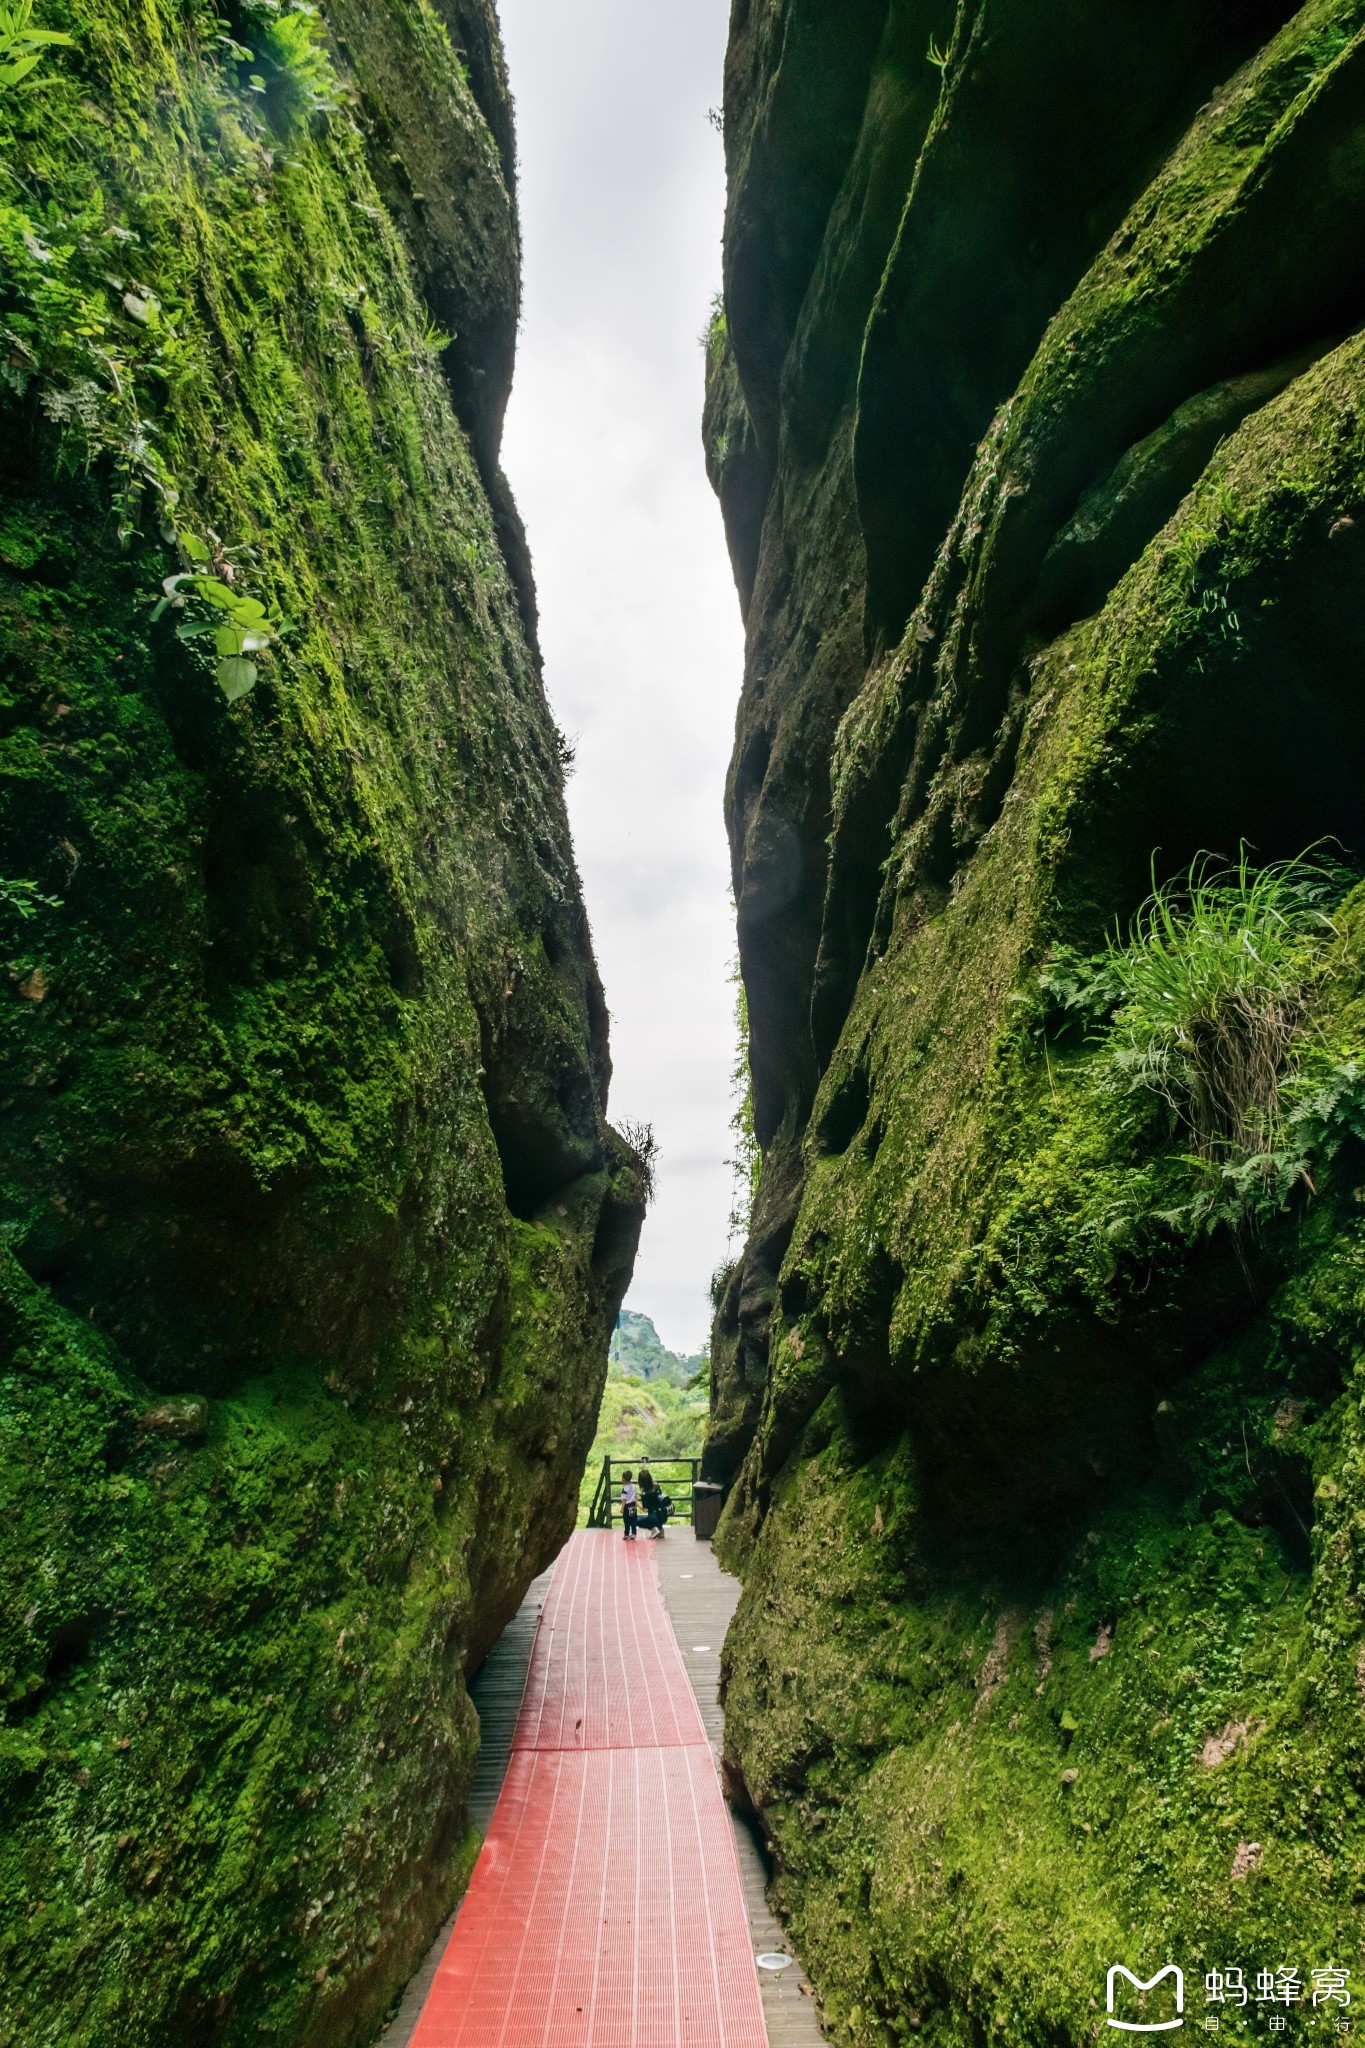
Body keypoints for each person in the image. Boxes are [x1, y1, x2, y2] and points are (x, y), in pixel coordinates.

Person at [639, 1466, 665, 1539]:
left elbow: (645, 1509)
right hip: (662, 1515)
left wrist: (636, 1502)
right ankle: (660, 1529)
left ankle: (654, 1529)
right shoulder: (657, 1486)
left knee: (636, 1520)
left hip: (653, 1517)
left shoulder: (644, 1493)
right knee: (655, 1510)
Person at [619, 1469, 639, 1540]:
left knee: (626, 1521)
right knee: (633, 1520)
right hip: (633, 1505)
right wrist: (637, 1503)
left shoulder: (625, 1489)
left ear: (624, 1479)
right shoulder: (633, 1486)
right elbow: (636, 1496)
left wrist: (622, 1508)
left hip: (627, 1506)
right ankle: (633, 1534)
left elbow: (624, 1499)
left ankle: (626, 1534)